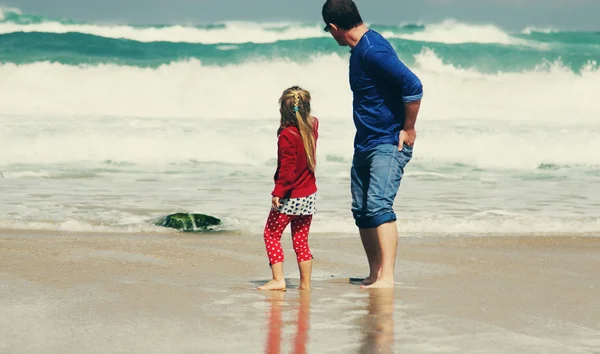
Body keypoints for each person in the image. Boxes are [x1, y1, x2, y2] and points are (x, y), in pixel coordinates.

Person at [322, 0, 423, 289]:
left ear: (333, 27)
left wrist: (408, 128)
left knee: (379, 207)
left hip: (387, 142)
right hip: (365, 142)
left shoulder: (372, 50)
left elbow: (413, 85)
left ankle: (387, 278)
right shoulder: (359, 50)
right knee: (362, 211)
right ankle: (374, 274)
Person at [258, 86, 319, 292]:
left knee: (271, 235)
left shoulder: (287, 135)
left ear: (282, 111)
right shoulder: (313, 126)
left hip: (290, 197)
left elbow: (287, 169)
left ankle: (278, 279)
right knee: (301, 241)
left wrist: (278, 192)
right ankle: (305, 285)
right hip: (309, 195)